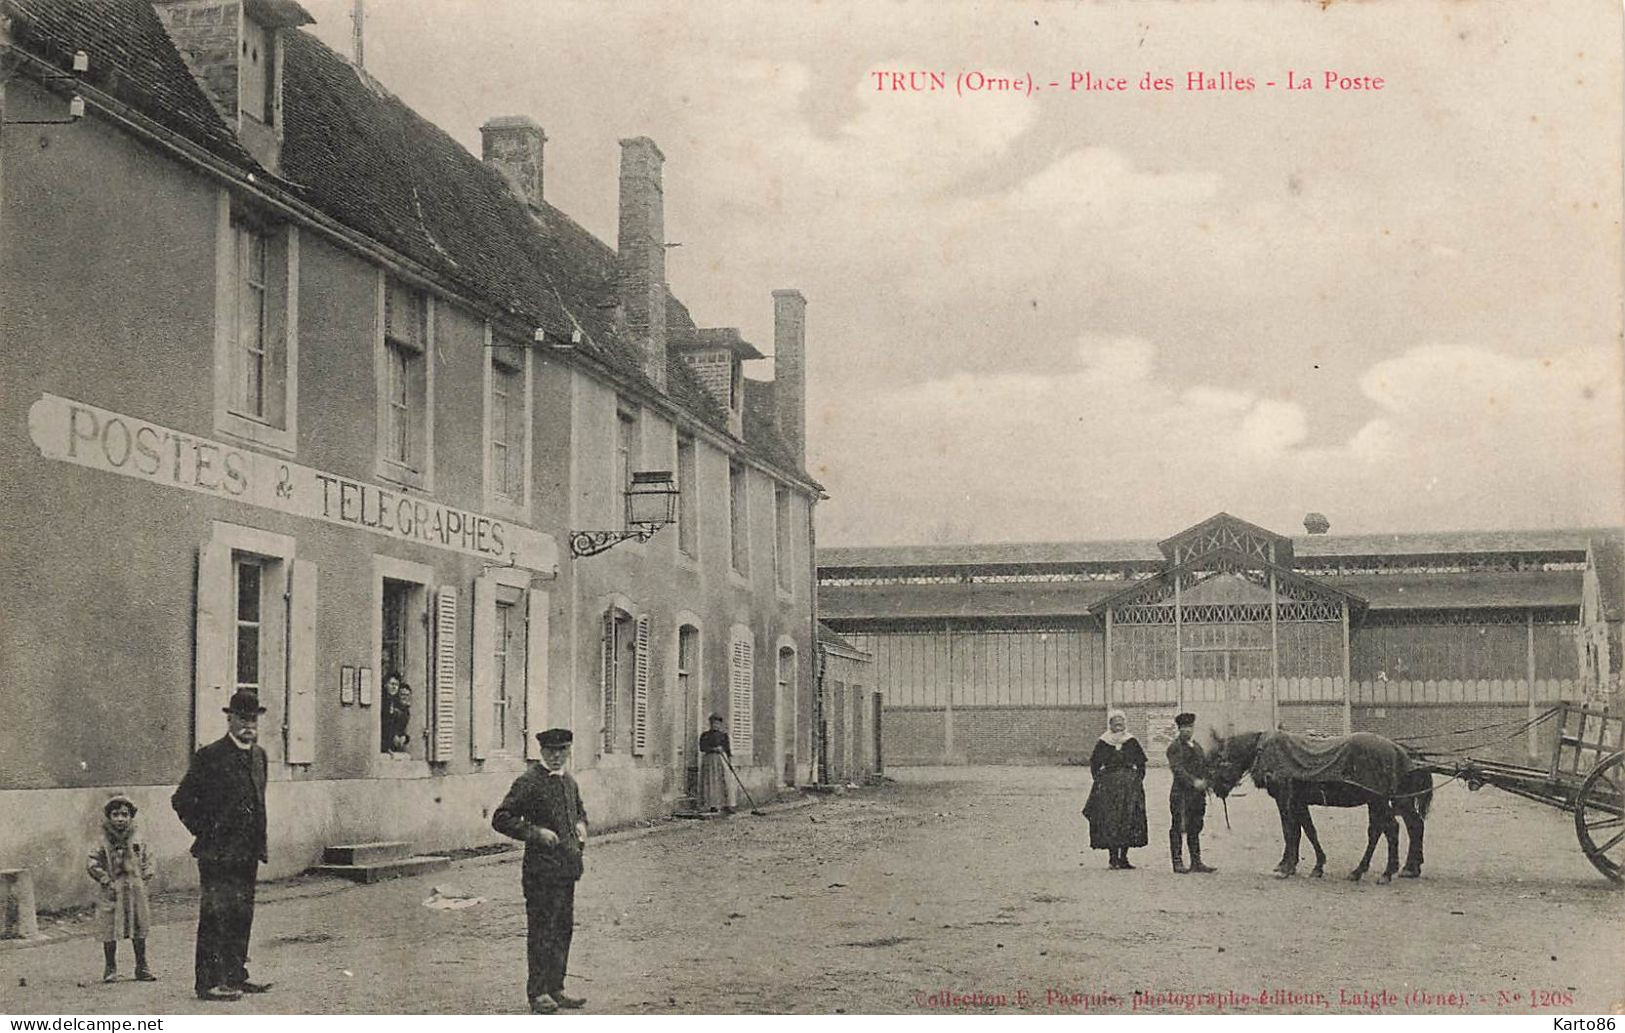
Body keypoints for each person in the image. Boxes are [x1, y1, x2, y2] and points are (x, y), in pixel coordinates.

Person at [172, 690, 272, 1002]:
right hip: (217, 853)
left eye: (253, 719)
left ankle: (235, 976)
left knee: (242, 914)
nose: (248, 724)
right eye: (242, 718)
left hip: (247, 852)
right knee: (216, 915)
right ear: (229, 718)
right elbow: (182, 800)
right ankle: (208, 983)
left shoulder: (259, 756)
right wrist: (207, 832)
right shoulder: (210, 756)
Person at [492, 728, 590, 1014]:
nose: (557, 756)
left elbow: (580, 812)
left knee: (562, 929)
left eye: (562, 750)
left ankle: (556, 988)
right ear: (542, 752)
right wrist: (534, 833)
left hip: (566, 869)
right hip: (540, 871)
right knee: (542, 930)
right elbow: (501, 818)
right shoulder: (529, 781)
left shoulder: (569, 783)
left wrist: (582, 826)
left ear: (569, 750)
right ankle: (537, 993)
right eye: (551, 751)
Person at [86, 794, 156, 982]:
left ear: (131, 817)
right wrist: (103, 877)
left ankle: (142, 966)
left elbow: (148, 858)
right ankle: (110, 967)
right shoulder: (102, 840)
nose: (120, 819)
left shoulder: (138, 838)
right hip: (111, 889)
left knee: (138, 926)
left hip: (134, 888)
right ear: (109, 817)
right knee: (109, 927)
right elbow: (92, 861)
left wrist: (145, 874)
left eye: (124, 814)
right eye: (115, 814)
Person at [1081, 709, 1148, 869]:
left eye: (1121, 722)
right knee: (1110, 820)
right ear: (1110, 724)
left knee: (1128, 819)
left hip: (1129, 788)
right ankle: (1112, 858)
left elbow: (1141, 763)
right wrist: (1100, 782)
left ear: (1125, 723)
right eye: (1115, 722)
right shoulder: (1103, 742)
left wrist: (1136, 780)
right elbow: (1094, 764)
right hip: (1109, 788)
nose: (1119, 725)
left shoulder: (1131, 741)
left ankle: (1123, 858)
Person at [1166, 711, 1217, 874]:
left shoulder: (1196, 746)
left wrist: (1211, 778)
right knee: (1178, 826)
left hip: (1197, 795)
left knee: (1195, 826)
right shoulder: (1175, 747)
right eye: (1183, 728)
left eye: (1189, 727)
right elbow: (1178, 769)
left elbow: (1204, 765)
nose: (1187, 730)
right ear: (1179, 729)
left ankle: (1196, 862)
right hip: (1181, 794)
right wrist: (1194, 782)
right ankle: (1177, 862)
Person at [697, 714, 734, 813]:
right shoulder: (705, 735)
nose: (715, 725)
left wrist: (730, 763)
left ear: (720, 724)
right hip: (710, 759)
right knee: (711, 782)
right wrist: (714, 749)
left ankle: (726, 805)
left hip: (722, 760)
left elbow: (728, 750)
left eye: (717, 723)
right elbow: (702, 748)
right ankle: (712, 805)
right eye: (713, 723)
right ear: (710, 724)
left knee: (724, 781)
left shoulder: (724, 736)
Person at [381, 672, 412, 753]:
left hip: (394, 748)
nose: (394, 687)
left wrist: (404, 737)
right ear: (385, 684)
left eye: (397, 685)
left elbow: (400, 728)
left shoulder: (399, 705)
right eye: (392, 684)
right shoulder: (382, 702)